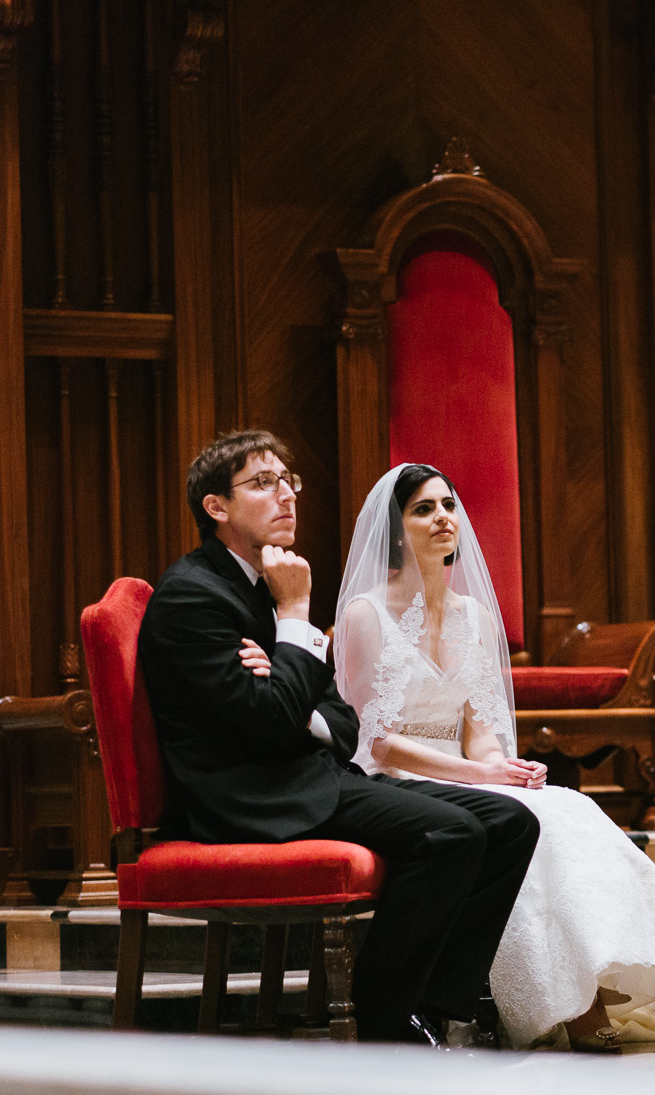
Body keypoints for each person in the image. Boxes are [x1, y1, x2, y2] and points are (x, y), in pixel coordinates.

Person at [139, 430, 539, 1046]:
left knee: (512, 824)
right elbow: (272, 718)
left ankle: (437, 1007)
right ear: (216, 507)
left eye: (288, 481)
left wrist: (293, 692)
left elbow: (338, 715)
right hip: (254, 797)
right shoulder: (196, 595)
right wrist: (295, 620)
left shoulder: (261, 581)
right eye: (263, 483)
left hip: (309, 773)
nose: (287, 496)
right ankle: (386, 1024)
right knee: (451, 835)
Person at [332, 463, 655, 1050]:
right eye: (423, 509)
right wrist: (481, 773)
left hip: (467, 773)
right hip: (395, 780)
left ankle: (605, 987)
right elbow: (378, 740)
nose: (443, 518)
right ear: (394, 531)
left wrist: (506, 768)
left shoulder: (475, 619)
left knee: (566, 809)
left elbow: (483, 730)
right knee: (527, 821)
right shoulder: (368, 614)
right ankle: (573, 1009)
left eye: (448, 505)